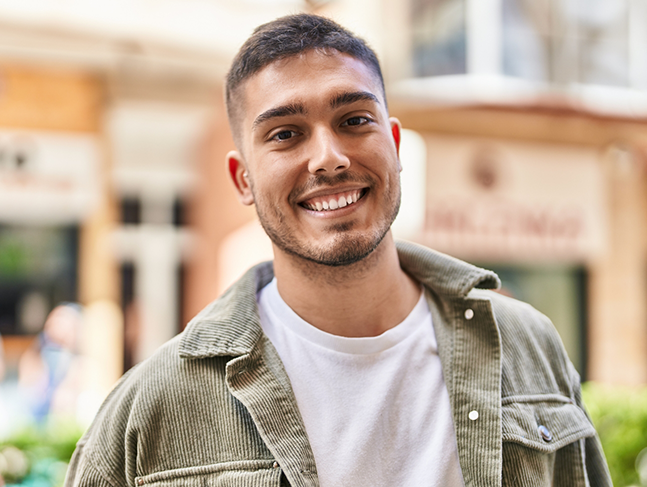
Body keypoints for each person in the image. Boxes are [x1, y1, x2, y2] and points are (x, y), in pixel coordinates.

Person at [65, 14, 611, 487]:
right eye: (285, 133)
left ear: (395, 146)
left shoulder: (525, 344)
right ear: (243, 180)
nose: (328, 158)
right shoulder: (154, 405)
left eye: (354, 121)